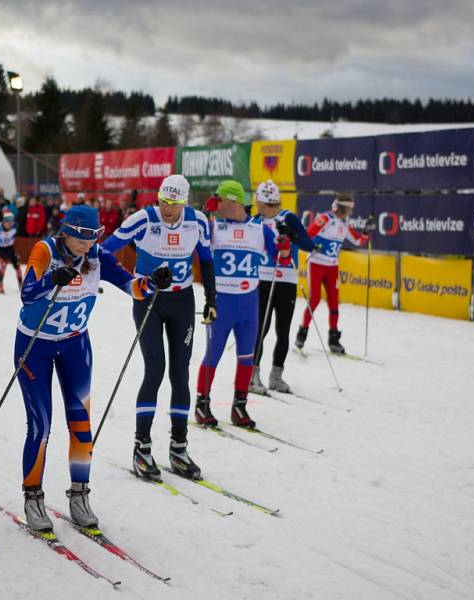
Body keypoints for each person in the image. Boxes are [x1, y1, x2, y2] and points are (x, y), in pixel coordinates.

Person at [17, 205, 170, 532]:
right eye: (82, 238)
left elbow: (134, 287)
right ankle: (33, 497)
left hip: (75, 345)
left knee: (81, 425)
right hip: (35, 346)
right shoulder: (44, 250)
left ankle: (79, 495)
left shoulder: (98, 256)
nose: (88, 244)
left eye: (93, 237)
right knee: (40, 426)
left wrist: (154, 282)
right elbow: (27, 295)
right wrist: (50, 280)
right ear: (66, 232)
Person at [102, 174, 215, 481]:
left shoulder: (198, 222)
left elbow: (206, 260)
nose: (168, 209)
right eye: (164, 201)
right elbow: (104, 250)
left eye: (175, 203)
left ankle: (179, 448)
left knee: (180, 372)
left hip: (182, 302)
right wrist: (132, 281)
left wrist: (211, 298)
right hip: (149, 302)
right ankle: (142, 447)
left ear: (185, 202)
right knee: (155, 368)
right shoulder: (143, 220)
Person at [194, 180, 290, 429]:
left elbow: (280, 257)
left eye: (220, 200)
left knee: (246, 357)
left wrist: (286, 246)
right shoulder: (213, 227)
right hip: (221, 302)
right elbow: (195, 241)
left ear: (233, 201)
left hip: (249, 303)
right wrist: (205, 214)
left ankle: (239, 406)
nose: (216, 204)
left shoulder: (260, 229)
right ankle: (202, 404)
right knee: (212, 355)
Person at [250, 180, 315, 394]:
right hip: (263, 280)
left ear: (263, 200)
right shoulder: (256, 220)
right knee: (260, 329)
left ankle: (276, 376)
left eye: (257, 199)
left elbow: (309, 245)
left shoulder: (288, 217)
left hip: (286, 280)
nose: (255, 202)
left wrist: (292, 235)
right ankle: (253, 374)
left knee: (282, 330)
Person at [295, 193, 368, 354]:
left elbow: (358, 241)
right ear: (344, 207)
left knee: (334, 302)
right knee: (314, 300)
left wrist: (366, 232)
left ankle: (334, 339)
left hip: (332, 267)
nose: (351, 212)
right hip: (317, 264)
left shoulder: (343, 223)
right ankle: (302, 332)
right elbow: (308, 234)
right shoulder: (326, 218)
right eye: (350, 209)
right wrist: (314, 245)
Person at [0, 209, 23, 293]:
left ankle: (21, 285)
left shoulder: (15, 226)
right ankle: (0, 285)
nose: (10, 224)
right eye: (8, 222)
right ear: (4, 221)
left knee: (17, 265)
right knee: (3, 263)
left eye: (12, 222)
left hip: (9, 247)